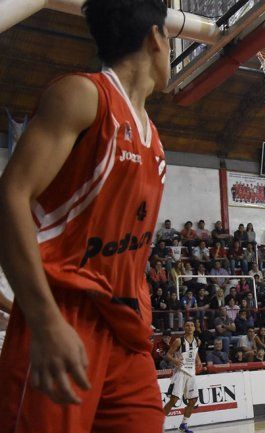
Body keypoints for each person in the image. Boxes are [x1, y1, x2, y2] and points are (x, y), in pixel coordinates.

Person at [0, 1, 170, 431]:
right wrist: (43, 321)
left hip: (126, 329)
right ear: (156, 37)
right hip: (63, 314)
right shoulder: (83, 95)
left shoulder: (156, 142)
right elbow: (10, 196)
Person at [163, 321, 202, 433]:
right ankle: (158, 422)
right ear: (184, 328)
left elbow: (195, 353)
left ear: (194, 328)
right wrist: (174, 360)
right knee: (173, 399)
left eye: (191, 325)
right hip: (180, 372)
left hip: (191, 373)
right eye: (187, 325)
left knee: (193, 400)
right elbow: (168, 354)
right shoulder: (178, 341)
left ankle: (183, 425)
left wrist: (198, 361)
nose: (189, 327)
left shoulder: (197, 341)